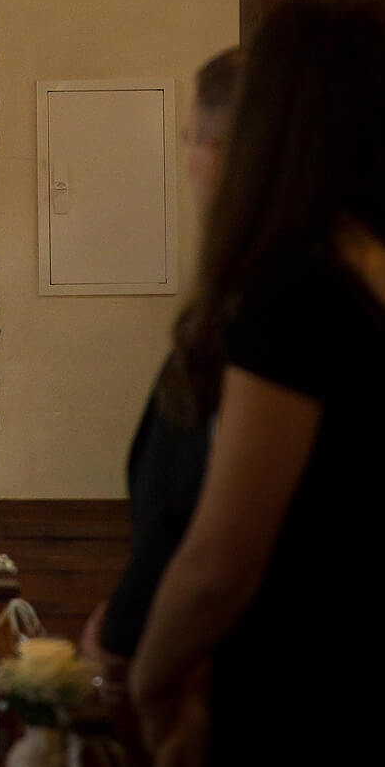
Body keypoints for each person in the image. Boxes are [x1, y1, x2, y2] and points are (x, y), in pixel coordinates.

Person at [129, 0, 385, 767]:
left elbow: (218, 564)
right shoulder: (364, 265)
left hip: (316, 716)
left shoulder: (297, 290)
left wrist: (150, 683)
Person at [86, 49, 242, 679]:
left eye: (192, 140)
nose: (189, 162)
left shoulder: (281, 307)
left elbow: (214, 550)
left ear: (230, 151)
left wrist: (139, 665)